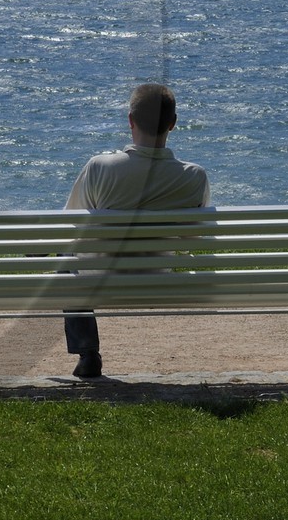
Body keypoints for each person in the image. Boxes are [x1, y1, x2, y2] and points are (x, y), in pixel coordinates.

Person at [63, 83, 209, 378]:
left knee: (65, 262)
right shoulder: (193, 176)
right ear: (173, 123)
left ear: (130, 121)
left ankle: (88, 352)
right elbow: (194, 237)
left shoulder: (99, 167)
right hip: (159, 280)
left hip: (100, 281)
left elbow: (71, 225)